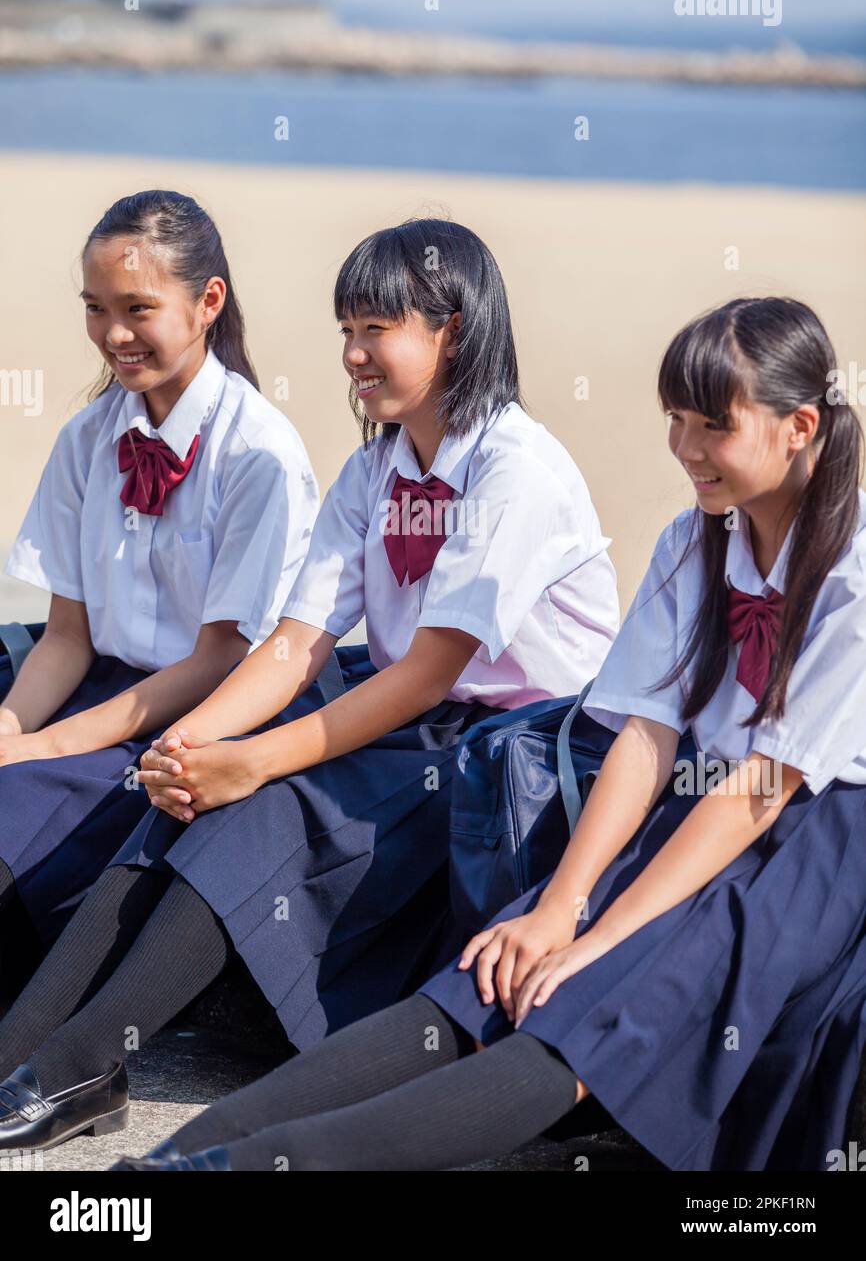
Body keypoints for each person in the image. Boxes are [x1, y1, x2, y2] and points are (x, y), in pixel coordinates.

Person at [111, 295, 866, 1174]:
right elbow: (643, 738)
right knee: (481, 983)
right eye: (675, 421)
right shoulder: (692, 541)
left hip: (810, 845)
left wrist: (597, 940)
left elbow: (763, 792)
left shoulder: (851, 571)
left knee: (583, 1020)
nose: (687, 450)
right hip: (696, 807)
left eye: (714, 426)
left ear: (799, 426)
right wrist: (559, 905)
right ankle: (168, 1162)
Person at [0, 217, 619, 1152]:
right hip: (418, 717)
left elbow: (427, 674)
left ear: (452, 329)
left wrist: (249, 763)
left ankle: (78, 1058)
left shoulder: (515, 469)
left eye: (378, 329)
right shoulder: (374, 466)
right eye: (345, 331)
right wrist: (194, 746)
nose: (353, 355)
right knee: (178, 787)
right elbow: (292, 646)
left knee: (262, 806)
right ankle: (36, 1056)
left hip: (512, 745)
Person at [0, 189, 318, 968]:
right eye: (94, 307)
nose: (112, 334)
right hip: (89, 688)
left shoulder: (259, 454)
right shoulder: (87, 437)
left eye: (137, 308)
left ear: (208, 301)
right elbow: (65, 638)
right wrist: (11, 729)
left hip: (191, 717)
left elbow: (219, 659)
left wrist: (48, 747)